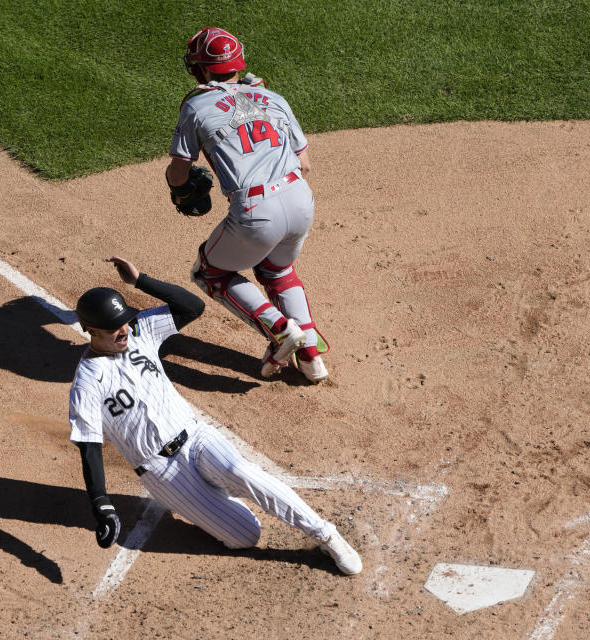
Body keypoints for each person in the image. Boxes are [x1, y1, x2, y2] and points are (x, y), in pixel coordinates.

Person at [68, 256, 362, 575]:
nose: (123, 330)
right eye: (113, 328)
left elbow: (191, 306)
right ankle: (213, 500)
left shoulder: (139, 332)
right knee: (246, 536)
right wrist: (102, 505)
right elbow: (89, 448)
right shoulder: (86, 383)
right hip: (161, 472)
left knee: (244, 472)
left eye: (124, 320)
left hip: (195, 438)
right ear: (91, 331)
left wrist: (141, 281)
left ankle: (325, 534)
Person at [165, 27, 329, 383]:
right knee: (279, 271)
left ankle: (281, 331)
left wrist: (181, 190)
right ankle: (312, 358)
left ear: (201, 69)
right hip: (300, 199)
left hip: (256, 211)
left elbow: (179, 173)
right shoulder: (272, 97)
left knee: (209, 272)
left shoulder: (195, 104)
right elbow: (306, 164)